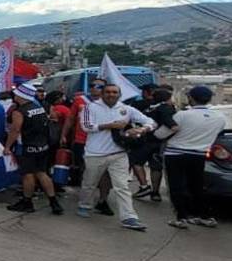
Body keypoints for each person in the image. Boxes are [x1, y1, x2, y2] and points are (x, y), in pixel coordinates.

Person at [77, 83, 155, 230]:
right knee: (89, 183)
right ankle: (85, 205)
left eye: (114, 92)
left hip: (119, 154)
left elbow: (151, 122)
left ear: (119, 94)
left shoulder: (126, 109)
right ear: (102, 93)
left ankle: (129, 217)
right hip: (95, 154)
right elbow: (86, 126)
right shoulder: (90, 107)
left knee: (122, 186)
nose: (111, 94)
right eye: (108, 92)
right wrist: (109, 126)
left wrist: (142, 129)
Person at [163, 86, 227, 229]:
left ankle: (181, 217)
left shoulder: (182, 115)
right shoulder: (220, 117)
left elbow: (161, 134)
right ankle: (203, 215)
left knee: (176, 186)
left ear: (191, 98)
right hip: (199, 154)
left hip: (175, 154)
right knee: (197, 185)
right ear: (209, 99)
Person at [4, 83, 63, 214]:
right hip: (42, 146)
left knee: (28, 175)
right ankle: (54, 202)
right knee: (42, 173)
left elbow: (15, 130)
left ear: (20, 95)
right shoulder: (39, 108)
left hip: (26, 147)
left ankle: (27, 202)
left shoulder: (19, 112)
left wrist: (7, 147)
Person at [65, 79, 114, 214]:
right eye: (92, 85)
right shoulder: (80, 100)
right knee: (87, 172)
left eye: (99, 86)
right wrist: (64, 135)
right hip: (82, 141)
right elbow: (70, 119)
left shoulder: (111, 103)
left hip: (104, 144)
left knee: (105, 174)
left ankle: (103, 200)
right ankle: (86, 201)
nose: (95, 88)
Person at [133, 88, 176, 202]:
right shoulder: (167, 109)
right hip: (159, 143)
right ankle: (155, 192)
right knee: (156, 167)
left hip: (145, 140)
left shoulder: (149, 108)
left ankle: (144, 186)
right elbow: (173, 126)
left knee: (137, 163)